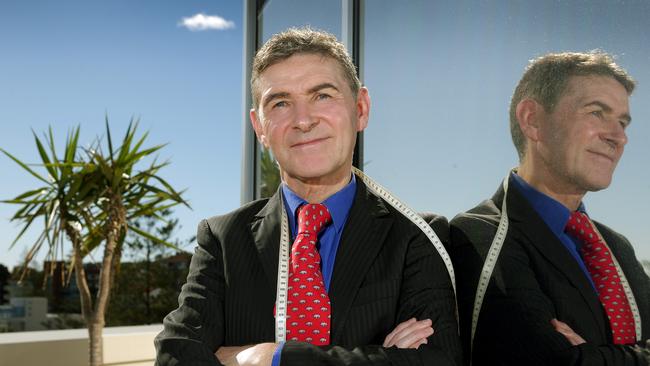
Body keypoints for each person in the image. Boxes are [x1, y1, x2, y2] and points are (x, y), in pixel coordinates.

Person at [155, 27, 461, 366]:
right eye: (281, 103)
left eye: (323, 96)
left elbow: (438, 361)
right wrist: (384, 357)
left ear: (360, 108)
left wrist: (271, 356)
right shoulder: (224, 240)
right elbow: (175, 356)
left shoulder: (418, 235)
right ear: (260, 128)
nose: (303, 120)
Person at [450, 51, 650, 365]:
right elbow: (548, 360)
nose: (619, 137)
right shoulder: (479, 234)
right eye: (597, 112)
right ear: (533, 120)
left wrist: (593, 356)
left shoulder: (616, 247)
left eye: (622, 122)